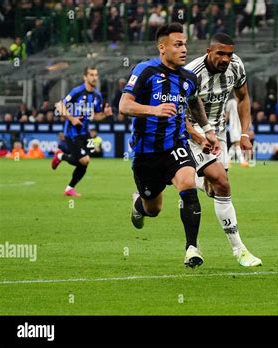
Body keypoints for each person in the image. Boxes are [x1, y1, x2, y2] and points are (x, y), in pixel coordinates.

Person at [119, 23, 220, 268]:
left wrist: (205, 132)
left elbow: (194, 103)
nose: (184, 49)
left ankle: (192, 248)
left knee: (188, 184)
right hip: (146, 154)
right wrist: (153, 110)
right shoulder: (145, 71)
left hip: (175, 146)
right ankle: (138, 205)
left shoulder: (188, 78)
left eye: (185, 44)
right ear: (162, 48)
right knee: (153, 209)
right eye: (178, 44)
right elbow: (124, 106)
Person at [184, 33, 262, 267]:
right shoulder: (191, 73)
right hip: (190, 133)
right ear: (209, 52)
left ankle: (182, 178)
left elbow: (243, 97)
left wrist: (245, 134)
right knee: (222, 183)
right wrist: (197, 134)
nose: (226, 58)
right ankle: (240, 250)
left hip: (218, 133)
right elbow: (177, 111)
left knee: (213, 189)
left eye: (229, 54)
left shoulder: (236, 66)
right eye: (220, 53)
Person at [51, 66, 113, 196]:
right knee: (84, 160)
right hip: (72, 133)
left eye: (96, 75)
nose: (94, 77)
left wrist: (105, 115)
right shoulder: (77, 91)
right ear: (85, 77)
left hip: (85, 133)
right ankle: (60, 156)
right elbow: (59, 105)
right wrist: (72, 118)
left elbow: (95, 116)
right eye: (91, 75)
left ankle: (69, 188)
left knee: (87, 160)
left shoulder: (97, 96)